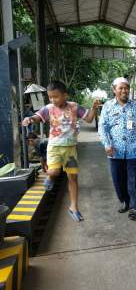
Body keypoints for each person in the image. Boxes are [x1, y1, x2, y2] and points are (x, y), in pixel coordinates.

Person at [22, 80, 100, 222]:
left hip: (70, 150)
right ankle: (50, 177)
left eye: (56, 96)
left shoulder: (74, 107)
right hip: (55, 147)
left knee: (73, 178)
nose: (53, 100)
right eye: (50, 97)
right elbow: (38, 117)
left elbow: (89, 119)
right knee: (54, 172)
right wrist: (30, 119)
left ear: (65, 95)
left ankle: (74, 207)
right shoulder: (48, 108)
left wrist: (94, 108)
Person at [98, 77, 136, 221]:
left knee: (133, 180)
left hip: (134, 150)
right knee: (118, 180)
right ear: (114, 89)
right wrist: (107, 144)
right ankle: (125, 201)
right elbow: (103, 128)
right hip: (115, 151)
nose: (124, 90)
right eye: (121, 88)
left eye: (126, 88)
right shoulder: (108, 106)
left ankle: (135, 207)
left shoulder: (135, 106)